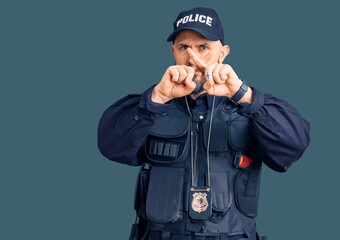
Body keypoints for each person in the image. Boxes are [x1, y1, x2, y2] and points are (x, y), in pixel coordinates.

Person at [97, 7, 310, 240]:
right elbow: (110, 146)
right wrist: (156, 99)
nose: (193, 58)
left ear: (223, 53)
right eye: (183, 48)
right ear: (173, 52)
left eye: (203, 47)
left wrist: (243, 95)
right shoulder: (152, 107)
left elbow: (295, 144)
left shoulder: (250, 109)